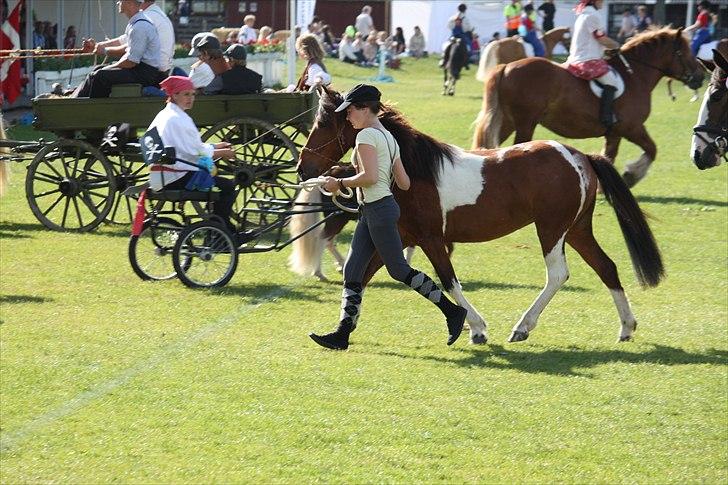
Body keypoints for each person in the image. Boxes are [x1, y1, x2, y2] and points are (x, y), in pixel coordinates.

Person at [309, 84, 468, 351]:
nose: (347, 117)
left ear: (363, 109)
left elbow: (369, 177)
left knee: (399, 270)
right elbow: (404, 182)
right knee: (352, 270)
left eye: (349, 111)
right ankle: (342, 334)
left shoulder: (365, 137)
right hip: (375, 210)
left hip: (379, 212)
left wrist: (340, 183)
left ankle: (452, 312)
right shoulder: (388, 137)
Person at [146, 75, 238, 235]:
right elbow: (195, 152)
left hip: (162, 175)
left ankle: (218, 229)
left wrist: (216, 146)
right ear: (174, 95)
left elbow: (189, 148)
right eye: (186, 94)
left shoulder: (166, 115)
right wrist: (223, 152)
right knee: (228, 187)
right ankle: (219, 232)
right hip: (177, 177)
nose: (191, 98)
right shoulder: (178, 119)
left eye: (193, 94)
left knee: (220, 182)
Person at [75, 0, 163, 98]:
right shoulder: (137, 23)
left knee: (100, 76)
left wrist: (109, 67)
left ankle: (90, 109)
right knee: (98, 69)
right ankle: (74, 100)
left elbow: (131, 62)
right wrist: (102, 50)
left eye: (121, 1)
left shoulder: (139, 27)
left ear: (130, 3)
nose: (118, 3)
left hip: (144, 74)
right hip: (141, 70)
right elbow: (127, 48)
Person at [566, 0, 621, 129]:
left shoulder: (582, 15)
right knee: (612, 81)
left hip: (577, 58)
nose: (603, 2)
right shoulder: (593, 16)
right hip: (587, 60)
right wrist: (617, 45)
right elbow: (600, 38)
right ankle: (606, 118)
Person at [84, 0, 174, 75]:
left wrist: (103, 49)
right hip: (155, 69)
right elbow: (127, 40)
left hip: (152, 72)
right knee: (99, 70)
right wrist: (98, 46)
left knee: (99, 74)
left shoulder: (147, 17)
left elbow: (129, 46)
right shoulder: (154, 14)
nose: (118, 2)